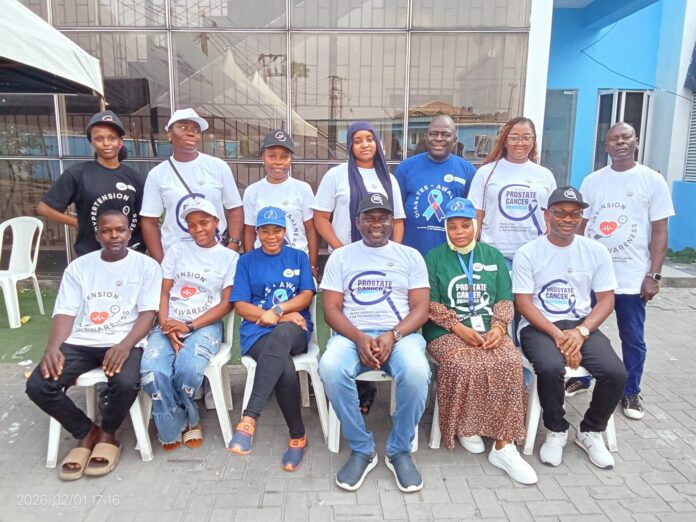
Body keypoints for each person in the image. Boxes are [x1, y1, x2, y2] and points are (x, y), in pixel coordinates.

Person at [25, 210, 162, 480]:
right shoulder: (80, 267)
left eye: (120, 230)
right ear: (97, 234)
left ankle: (108, 434)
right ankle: (87, 432)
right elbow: (65, 312)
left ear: (129, 232)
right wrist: (53, 347)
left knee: (126, 383)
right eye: (106, 231)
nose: (114, 236)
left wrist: (125, 346)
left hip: (124, 340)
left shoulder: (147, 266)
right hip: (81, 341)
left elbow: (148, 314)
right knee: (38, 385)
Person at [319, 193, 431, 493]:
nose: (377, 224)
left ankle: (399, 450)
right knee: (330, 367)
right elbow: (331, 309)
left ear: (392, 222)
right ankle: (362, 448)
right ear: (357, 222)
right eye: (369, 217)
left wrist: (393, 335)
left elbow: (421, 308)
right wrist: (358, 337)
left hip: (400, 334)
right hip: (352, 333)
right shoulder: (341, 257)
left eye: (383, 218)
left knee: (417, 372)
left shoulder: (410, 256)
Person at [565, 122, 675, 419]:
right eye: (614, 138)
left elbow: (660, 231)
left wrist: (653, 275)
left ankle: (631, 391)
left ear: (636, 141)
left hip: (632, 277)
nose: (620, 142)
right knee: (585, 329)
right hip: (593, 276)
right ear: (606, 146)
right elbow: (581, 226)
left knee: (633, 338)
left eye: (626, 137)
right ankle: (583, 378)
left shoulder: (652, 180)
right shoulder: (593, 181)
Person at [424, 197, 537, 485]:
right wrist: (458, 328)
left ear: (475, 226)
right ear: (445, 229)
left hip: (489, 327)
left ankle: (504, 446)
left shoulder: (492, 255)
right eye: (452, 226)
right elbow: (430, 303)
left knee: (508, 361)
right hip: (445, 330)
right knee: (463, 363)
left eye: (465, 225)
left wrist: (499, 327)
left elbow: (504, 297)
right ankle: (467, 426)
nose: (459, 232)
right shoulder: (434, 257)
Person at [513, 186, 627, 470]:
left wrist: (581, 333)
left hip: (580, 325)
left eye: (574, 214)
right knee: (550, 368)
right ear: (547, 215)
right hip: (539, 325)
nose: (568, 219)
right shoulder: (528, 252)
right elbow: (523, 303)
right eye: (561, 213)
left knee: (615, 372)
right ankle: (556, 429)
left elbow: (606, 300)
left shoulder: (595, 251)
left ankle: (591, 430)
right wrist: (558, 336)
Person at [313, 120, 407, 413]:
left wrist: (396, 254)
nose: (365, 144)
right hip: (346, 261)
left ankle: (369, 385)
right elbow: (320, 218)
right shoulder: (335, 175)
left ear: (378, 143)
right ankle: (349, 387)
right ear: (350, 145)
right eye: (358, 140)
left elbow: (398, 221)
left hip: (383, 261)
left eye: (370, 139)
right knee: (346, 318)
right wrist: (341, 249)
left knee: (374, 313)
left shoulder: (388, 179)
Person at [140, 198, 238, 450]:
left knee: (189, 369)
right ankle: (185, 419)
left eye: (204, 222)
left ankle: (180, 419)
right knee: (152, 370)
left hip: (205, 325)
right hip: (169, 322)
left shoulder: (229, 257)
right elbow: (164, 292)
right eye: (192, 225)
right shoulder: (177, 251)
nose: (198, 229)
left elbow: (226, 304)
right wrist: (166, 326)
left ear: (216, 222)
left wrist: (189, 326)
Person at [227, 207, 315, 472]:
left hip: (294, 329)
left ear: (284, 231)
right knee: (284, 367)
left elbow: (306, 296)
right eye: (265, 231)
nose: (271, 236)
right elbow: (241, 305)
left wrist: (277, 311)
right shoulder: (246, 261)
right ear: (257, 233)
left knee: (282, 335)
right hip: (257, 332)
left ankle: (249, 418)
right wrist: (280, 317)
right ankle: (298, 437)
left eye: (276, 230)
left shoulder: (298, 257)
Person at [140, 108, 243, 262]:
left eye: (196, 130)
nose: (191, 133)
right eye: (183, 127)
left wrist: (233, 245)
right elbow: (149, 221)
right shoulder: (157, 174)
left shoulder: (218, 166)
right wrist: (162, 262)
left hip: (216, 255)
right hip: (177, 258)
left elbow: (235, 208)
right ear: (169, 134)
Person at [37, 110, 146, 256]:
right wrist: (79, 223)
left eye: (112, 138)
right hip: (91, 254)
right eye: (99, 139)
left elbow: (144, 219)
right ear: (91, 142)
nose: (106, 143)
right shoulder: (78, 173)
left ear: (120, 142)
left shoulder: (134, 177)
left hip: (130, 254)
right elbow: (44, 208)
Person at [468, 117, 557, 268]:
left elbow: (550, 217)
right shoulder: (486, 172)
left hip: (534, 254)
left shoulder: (545, 175)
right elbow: (476, 214)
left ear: (533, 141)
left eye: (526, 137)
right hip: (493, 254)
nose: (520, 143)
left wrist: (552, 250)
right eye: (514, 137)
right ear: (504, 141)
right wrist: (470, 252)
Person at [395, 115, 476, 257]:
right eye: (433, 134)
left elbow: (472, 216)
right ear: (426, 137)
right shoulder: (406, 168)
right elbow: (396, 215)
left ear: (455, 140)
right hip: (411, 253)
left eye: (446, 135)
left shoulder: (467, 171)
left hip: (451, 257)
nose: (439, 138)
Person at [242, 129, 318, 277]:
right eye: (272, 156)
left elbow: (310, 230)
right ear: (262, 157)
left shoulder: (302, 189)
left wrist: (312, 265)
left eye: (285, 157)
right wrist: (250, 264)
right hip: (263, 263)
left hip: (296, 262)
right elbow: (249, 231)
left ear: (291, 159)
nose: (278, 162)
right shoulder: (252, 191)